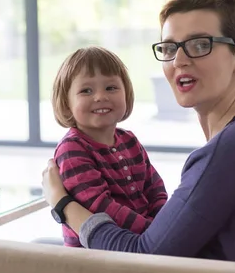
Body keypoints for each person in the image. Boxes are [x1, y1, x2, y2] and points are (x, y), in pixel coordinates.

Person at [42, 0, 235, 263]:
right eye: (170, 48)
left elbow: (143, 258)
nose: (179, 61)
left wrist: (63, 204)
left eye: (199, 45)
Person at [50, 47, 167, 247]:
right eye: (86, 90)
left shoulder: (129, 140)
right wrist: (152, 230)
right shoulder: (72, 149)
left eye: (111, 88)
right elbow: (99, 207)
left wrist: (165, 223)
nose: (100, 97)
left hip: (143, 242)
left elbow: (155, 189)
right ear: (67, 103)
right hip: (95, 254)